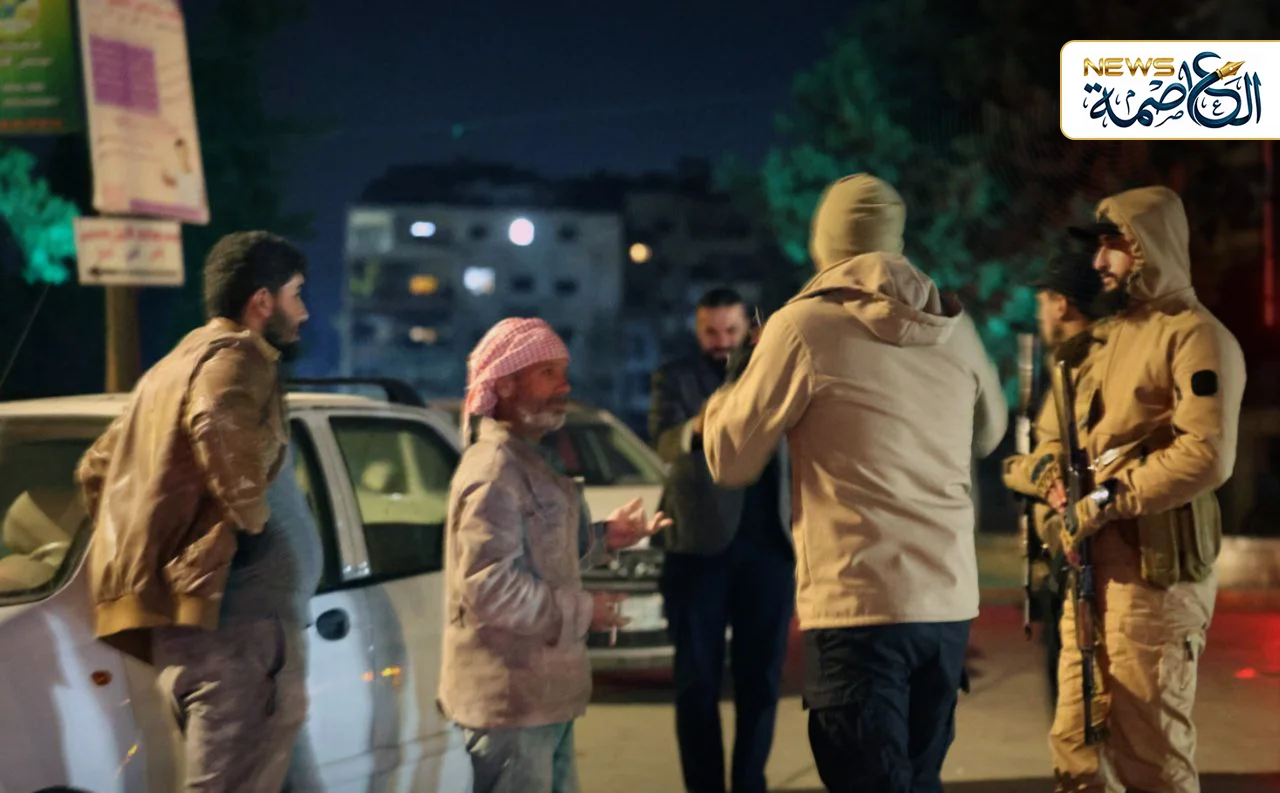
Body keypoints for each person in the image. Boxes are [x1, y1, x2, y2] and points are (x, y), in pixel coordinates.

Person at [698, 173, 1008, 792]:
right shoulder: (955, 327)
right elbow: (990, 433)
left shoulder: (803, 326)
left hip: (859, 604)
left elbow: (729, 457)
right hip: (946, 605)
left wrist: (734, 386)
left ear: (826, 242)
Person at [76, 231, 311, 792]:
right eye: (297, 294)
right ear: (262, 301)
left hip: (202, 635)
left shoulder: (173, 366)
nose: (304, 312)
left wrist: (159, 539)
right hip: (240, 633)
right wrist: (250, 520)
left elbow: (96, 469)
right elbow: (215, 421)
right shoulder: (238, 356)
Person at [1037, 187, 1245, 793]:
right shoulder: (1111, 338)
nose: (1099, 261)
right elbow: (1066, 435)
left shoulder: (1195, 336)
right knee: (1077, 754)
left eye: (1115, 245)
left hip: (1154, 579)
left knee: (1150, 757)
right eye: (1099, 246)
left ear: (1150, 247)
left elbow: (1207, 454)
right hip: (1092, 574)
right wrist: (1056, 486)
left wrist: (1107, 499)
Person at [438, 318, 671, 793]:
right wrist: (584, 611)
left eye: (564, 373)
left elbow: (538, 555)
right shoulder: (495, 472)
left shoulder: (528, 460)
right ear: (505, 383)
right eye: (548, 373)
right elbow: (489, 587)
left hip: (542, 701)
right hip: (510, 707)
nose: (564, 386)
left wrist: (605, 538)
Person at [649, 287, 794, 793]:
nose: (721, 341)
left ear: (750, 329)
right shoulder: (675, 376)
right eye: (710, 332)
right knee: (697, 684)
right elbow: (664, 442)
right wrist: (707, 416)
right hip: (698, 549)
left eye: (731, 331)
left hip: (769, 547)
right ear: (697, 329)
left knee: (762, 681)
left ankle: (750, 782)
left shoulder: (776, 374)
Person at [1000, 251, 1106, 704]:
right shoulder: (1071, 365)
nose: (1040, 315)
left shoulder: (1082, 368)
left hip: (1078, 557)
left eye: (1043, 302)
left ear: (1061, 304)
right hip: (1068, 555)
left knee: (1077, 707)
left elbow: (1058, 460)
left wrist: (1019, 470)